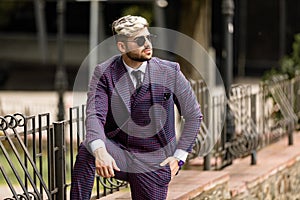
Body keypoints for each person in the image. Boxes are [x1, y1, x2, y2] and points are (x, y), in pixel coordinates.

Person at [70, 15, 202, 200]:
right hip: (119, 154)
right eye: (140, 40)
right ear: (122, 46)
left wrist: (179, 157)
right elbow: (94, 115)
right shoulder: (105, 73)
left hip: (155, 160)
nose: (147, 44)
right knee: (88, 149)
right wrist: (101, 152)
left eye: (148, 37)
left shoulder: (169, 71)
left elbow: (194, 115)